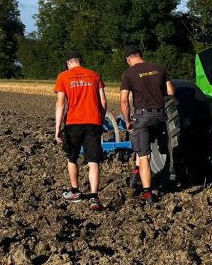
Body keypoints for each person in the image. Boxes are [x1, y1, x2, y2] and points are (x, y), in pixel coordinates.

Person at [119, 44, 175, 205]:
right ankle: (136, 172)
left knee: (143, 154)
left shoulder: (128, 73)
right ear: (140, 54)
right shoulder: (159, 68)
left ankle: (146, 192)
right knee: (147, 145)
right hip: (160, 116)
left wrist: (128, 121)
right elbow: (170, 91)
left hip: (142, 117)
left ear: (128, 59)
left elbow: (124, 100)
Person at [54, 50, 107, 211]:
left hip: (73, 123)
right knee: (93, 161)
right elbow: (103, 100)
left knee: (72, 157)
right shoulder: (94, 75)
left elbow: (61, 104)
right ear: (80, 61)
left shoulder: (63, 76)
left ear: (68, 63)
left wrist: (57, 128)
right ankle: (94, 197)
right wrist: (100, 119)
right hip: (93, 122)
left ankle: (75, 191)